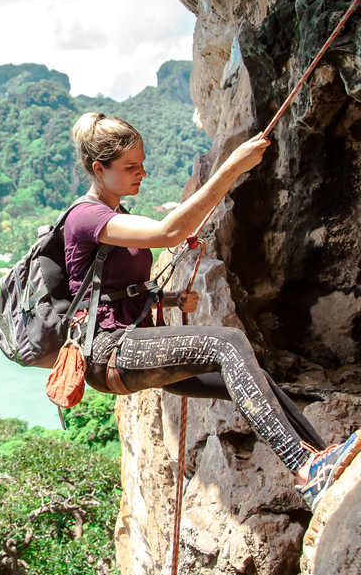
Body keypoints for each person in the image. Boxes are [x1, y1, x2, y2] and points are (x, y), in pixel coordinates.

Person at [65, 111, 361, 513]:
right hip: (109, 352)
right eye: (130, 167)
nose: (142, 173)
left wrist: (168, 301)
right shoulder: (85, 216)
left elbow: (116, 290)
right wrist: (231, 168)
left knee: (251, 376)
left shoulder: (118, 218)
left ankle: (319, 457)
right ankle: (306, 467)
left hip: (130, 346)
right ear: (98, 169)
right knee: (228, 342)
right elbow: (166, 232)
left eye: (142, 163)